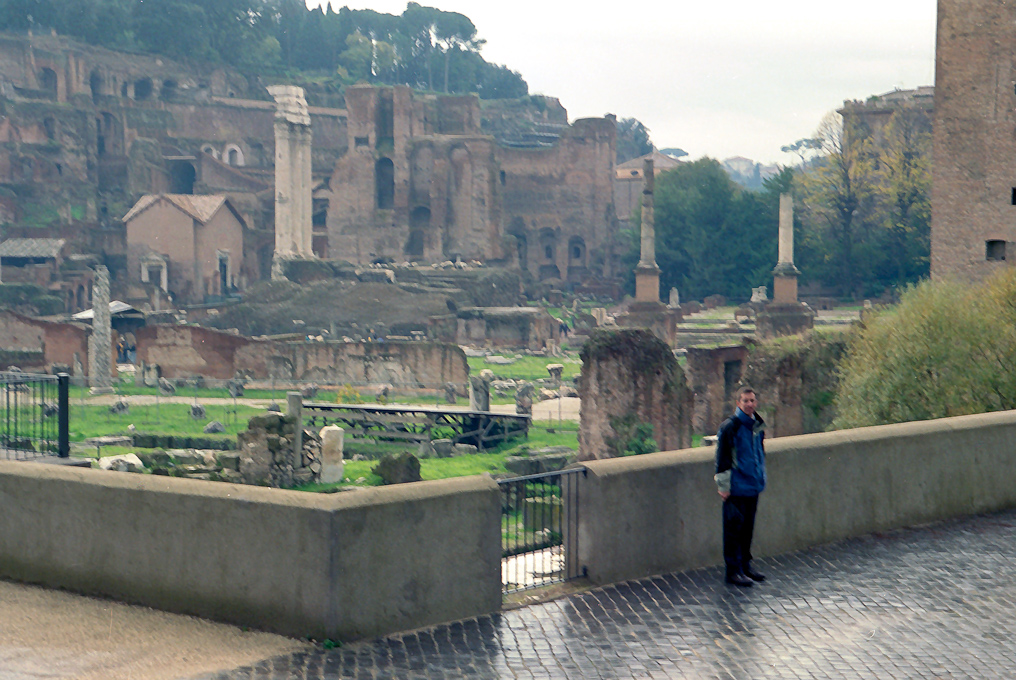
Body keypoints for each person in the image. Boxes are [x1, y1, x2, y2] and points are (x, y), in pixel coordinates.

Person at [714, 386, 767, 587]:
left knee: (747, 529)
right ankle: (733, 570)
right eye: (745, 401)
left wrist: (761, 477)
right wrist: (723, 486)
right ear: (738, 403)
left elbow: (758, 454)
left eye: (752, 400)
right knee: (733, 529)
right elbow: (722, 458)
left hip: (752, 485)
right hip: (736, 486)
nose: (749, 404)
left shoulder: (757, 426)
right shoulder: (730, 427)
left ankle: (745, 565)